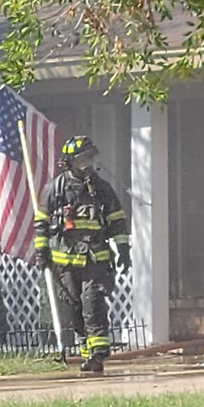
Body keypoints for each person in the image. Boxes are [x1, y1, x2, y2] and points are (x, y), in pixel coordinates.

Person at [33, 135, 131, 373]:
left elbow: (117, 220)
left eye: (90, 158)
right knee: (74, 307)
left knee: (93, 303)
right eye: (83, 159)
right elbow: (41, 222)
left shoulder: (102, 189)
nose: (88, 164)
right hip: (65, 262)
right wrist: (41, 250)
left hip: (95, 259)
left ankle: (99, 351)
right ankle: (88, 353)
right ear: (70, 162)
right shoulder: (55, 189)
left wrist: (123, 249)